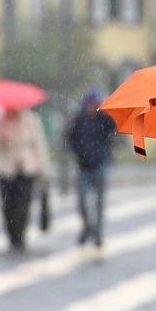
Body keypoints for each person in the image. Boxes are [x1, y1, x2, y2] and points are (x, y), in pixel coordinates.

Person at [0, 106, 50, 251]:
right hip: (7, 169)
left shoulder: (31, 120)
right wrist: (2, 134)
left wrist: (43, 168)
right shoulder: (2, 120)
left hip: (27, 168)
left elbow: (39, 144)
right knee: (7, 206)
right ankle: (12, 235)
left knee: (23, 204)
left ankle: (20, 235)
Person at [65, 89, 117, 248]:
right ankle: (88, 228)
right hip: (83, 167)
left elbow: (115, 131)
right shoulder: (79, 120)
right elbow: (69, 138)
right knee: (81, 202)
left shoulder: (105, 119)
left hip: (100, 165)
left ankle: (98, 233)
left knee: (100, 203)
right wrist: (78, 152)